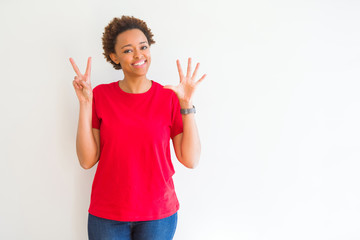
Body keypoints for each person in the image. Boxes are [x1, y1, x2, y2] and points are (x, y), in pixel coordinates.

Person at [69, 15, 206, 240]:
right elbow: (87, 160)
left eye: (143, 47)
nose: (138, 55)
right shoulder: (100, 96)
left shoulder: (169, 97)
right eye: (128, 50)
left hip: (158, 215)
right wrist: (85, 104)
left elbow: (190, 159)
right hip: (107, 215)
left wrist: (186, 104)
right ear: (114, 57)